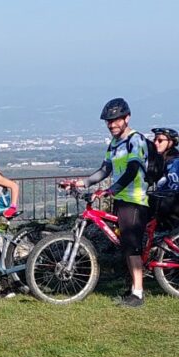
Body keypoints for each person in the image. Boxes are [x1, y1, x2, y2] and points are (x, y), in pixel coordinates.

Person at [60, 97, 155, 307]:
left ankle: (138, 294)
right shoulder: (114, 144)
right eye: (108, 121)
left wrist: (111, 190)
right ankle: (133, 286)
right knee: (126, 246)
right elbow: (104, 170)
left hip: (135, 200)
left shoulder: (135, 140)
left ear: (127, 118)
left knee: (132, 246)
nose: (112, 125)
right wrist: (80, 183)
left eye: (116, 120)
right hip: (121, 200)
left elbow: (132, 170)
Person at [145, 128, 179, 230]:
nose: (156, 143)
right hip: (163, 203)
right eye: (155, 140)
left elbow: (172, 187)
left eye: (160, 140)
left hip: (172, 205)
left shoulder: (175, 162)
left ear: (170, 143)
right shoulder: (162, 160)